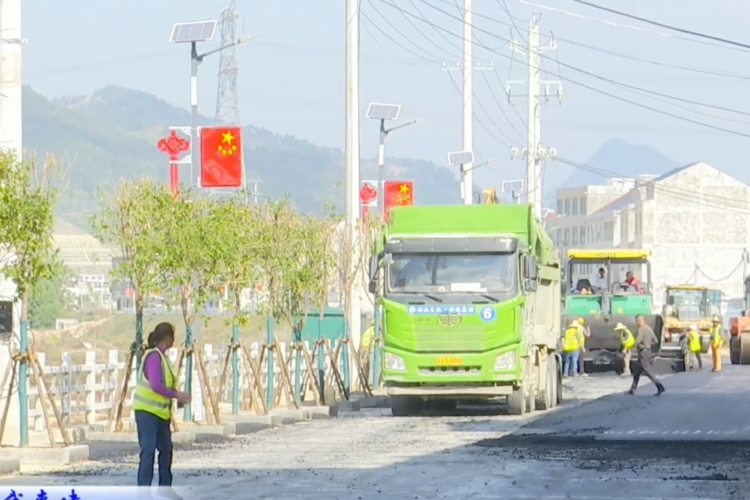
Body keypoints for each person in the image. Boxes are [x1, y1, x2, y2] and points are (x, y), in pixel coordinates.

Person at [133, 322, 190, 499]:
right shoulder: (153, 357)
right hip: (147, 413)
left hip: (161, 414)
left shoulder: (163, 358)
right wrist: (176, 395)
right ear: (168, 338)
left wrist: (176, 396)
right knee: (148, 451)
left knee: (166, 451)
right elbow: (156, 385)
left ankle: (165, 488)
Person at [627, 315, 665, 396]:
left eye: (637, 321)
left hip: (643, 352)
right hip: (647, 351)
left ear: (639, 321)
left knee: (647, 370)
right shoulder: (649, 329)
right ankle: (632, 389)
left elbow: (637, 340)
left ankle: (659, 386)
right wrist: (648, 344)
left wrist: (632, 347)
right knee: (637, 371)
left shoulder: (641, 329)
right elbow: (656, 340)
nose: (637, 323)